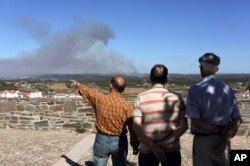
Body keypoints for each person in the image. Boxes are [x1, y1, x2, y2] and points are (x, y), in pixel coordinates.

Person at [185, 53, 242, 166]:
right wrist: (225, 140)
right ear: (217, 69)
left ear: (201, 68)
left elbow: (196, 121)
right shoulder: (228, 90)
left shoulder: (195, 89)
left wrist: (217, 131)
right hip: (223, 141)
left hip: (203, 141)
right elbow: (238, 120)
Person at [71, 75, 139, 166]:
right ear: (123, 89)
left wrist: (78, 85)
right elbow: (133, 129)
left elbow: (89, 93)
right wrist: (134, 144)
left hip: (101, 140)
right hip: (119, 141)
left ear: (110, 85)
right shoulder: (127, 107)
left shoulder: (100, 99)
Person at [132, 64, 188, 166]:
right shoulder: (177, 98)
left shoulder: (140, 97)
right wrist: (163, 144)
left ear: (150, 78)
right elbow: (183, 126)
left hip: (147, 149)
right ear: (167, 78)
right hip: (171, 149)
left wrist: (152, 146)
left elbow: (136, 126)